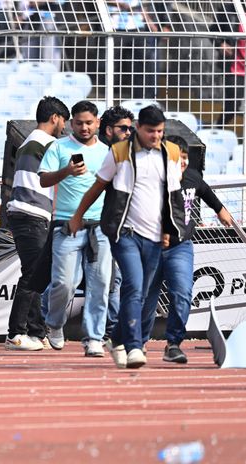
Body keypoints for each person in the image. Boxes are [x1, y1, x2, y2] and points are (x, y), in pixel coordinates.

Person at [69, 105, 186, 369]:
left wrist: (170, 230)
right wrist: (78, 215)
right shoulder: (119, 152)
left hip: (156, 236)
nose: (155, 136)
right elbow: (98, 187)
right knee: (133, 286)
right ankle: (134, 347)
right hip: (125, 233)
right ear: (138, 129)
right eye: (150, 131)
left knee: (143, 293)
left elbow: (173, 199)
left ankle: (117, 338)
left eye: (159, 131)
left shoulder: (172, 153)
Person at [140, 135, 235, 364]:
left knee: (182, 293)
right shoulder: (152, 180)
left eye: (184, 157)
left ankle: (173, 344)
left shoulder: (193, 177)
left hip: (180, 247)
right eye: (176, 158)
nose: (181, 162)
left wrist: (221, 210)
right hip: (151, 247)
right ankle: (138, 341)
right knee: (144, 296)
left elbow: (208, 194)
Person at [38, 100, 112, 357]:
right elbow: (44, 178)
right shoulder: (58, 147)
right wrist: (67, 171)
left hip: (100, 227)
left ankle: (94, 337)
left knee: (100, 283)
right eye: (79, 123)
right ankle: (55, 324)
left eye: (89, 123)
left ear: (98, 123)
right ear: (71, 123)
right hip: (66, 224)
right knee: (64, 283)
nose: (84, 127)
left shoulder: (107, 152)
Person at [4, 96, 69, 351]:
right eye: (63, 120)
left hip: (27, 214)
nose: (64, 127)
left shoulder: (29, 143)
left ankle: (36, 331)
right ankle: (15, 333)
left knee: (37, 274)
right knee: (32, 275)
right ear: (55, 118)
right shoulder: (49, 144)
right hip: (31, 214)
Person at [98, 105, 135, 340]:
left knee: (114, 280)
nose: (129, 132)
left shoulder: (128, 155)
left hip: (119, 227)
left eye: (132, 128)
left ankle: (110, 331)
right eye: (124, 128)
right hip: (96, 225)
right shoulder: (101, 153)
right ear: (109, 130)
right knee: (65, 282)